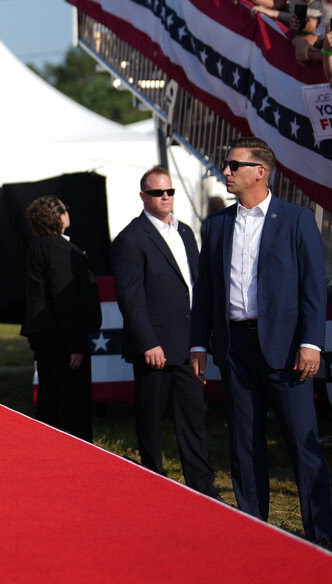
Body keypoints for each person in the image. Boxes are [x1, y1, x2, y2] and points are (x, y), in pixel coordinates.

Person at [190, 138, 332, 548]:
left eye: (235, 165)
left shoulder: (296, 219)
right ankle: (254, 533)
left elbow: (312, 289)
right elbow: (206, 292)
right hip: (235, 349)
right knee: (244, 444)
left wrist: (312, 343)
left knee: (301, 444)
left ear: (261, 171)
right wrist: (198, 345)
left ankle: (321, 539)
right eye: (226, 164)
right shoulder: (216, 224)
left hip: (286, 350)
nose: (227, 171)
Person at [111, 168, 219, 497]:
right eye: (158, 192)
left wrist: (201, 339)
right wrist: (147, 342)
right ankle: (153, 479)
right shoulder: (131, 238)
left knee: (193, 417)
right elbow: (130, 298)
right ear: (143, 195)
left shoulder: (185, 231)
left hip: (186, 343)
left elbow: (196, 286)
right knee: (150, 417)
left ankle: (202, 487)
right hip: (154, 347)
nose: (166, 197)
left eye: (170, 191)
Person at [22, 196, 102, 442]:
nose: (68, 213)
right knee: (70, 401)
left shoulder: (38, 245)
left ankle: (52, 443)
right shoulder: (57, 248)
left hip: (47, 334)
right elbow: (64, 299)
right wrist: (75, 346)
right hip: (61, 338)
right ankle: (73, 447)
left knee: (51, 395)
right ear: (57, 216)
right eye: (65, 210)